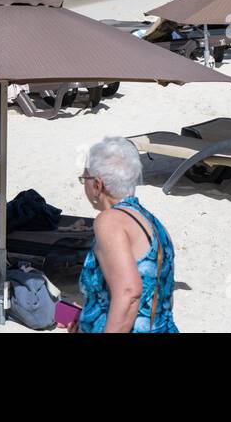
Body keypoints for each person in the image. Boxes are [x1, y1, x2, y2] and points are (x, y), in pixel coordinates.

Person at [75, 137, 177, 333]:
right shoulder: (153, 223)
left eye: (84, 178)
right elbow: (162, 296)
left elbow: (129, 293)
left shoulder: (109, 221)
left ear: (97, 185)